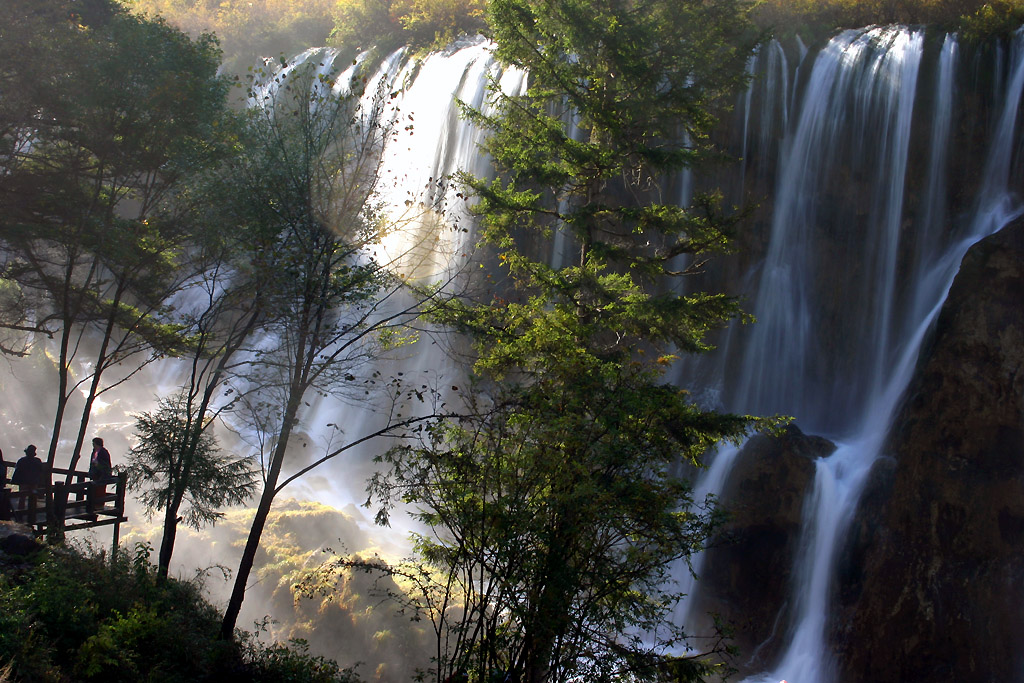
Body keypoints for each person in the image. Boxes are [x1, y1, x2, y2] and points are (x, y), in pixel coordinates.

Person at [11, 445, 44, 511]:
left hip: (24, 482)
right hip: (33, 482)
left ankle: (20, 513)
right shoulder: (37, 461)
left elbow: (17, 471)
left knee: (22, 497)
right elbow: (41, 471)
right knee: (33, 497)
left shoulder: (22, 460)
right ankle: (32, 513)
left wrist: (13, 480)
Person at [88, 437, 112, 513]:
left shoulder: (103, 452)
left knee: (100, 491)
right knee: (94, 490)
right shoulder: (95, 452)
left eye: (94, 444)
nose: (93, 445)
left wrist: (98, 465)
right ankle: (94, 504)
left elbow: (106, 465)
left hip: (102, 475)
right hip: (95, 474)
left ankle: (99, 505)